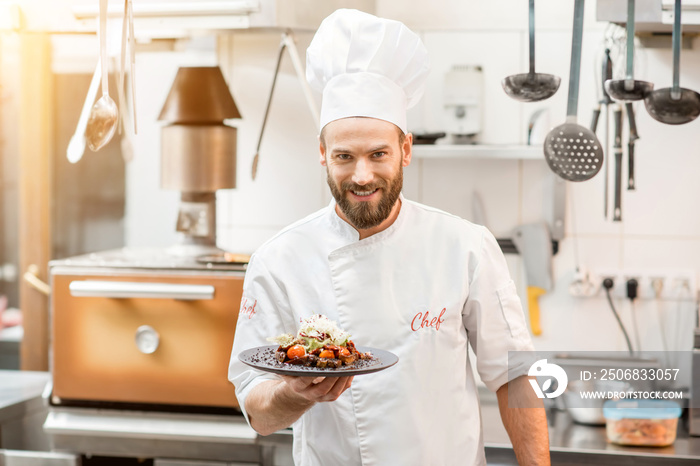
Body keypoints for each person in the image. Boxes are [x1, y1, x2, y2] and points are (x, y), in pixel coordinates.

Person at [229, 9, 550, 466]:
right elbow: (257, 411)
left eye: (378, 153)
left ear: (405, 150)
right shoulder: (279, 260)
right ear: (322, 154)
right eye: (345, 156)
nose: (362, 176)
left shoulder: (466, 247)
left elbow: (515, 376)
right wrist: (295, 392)